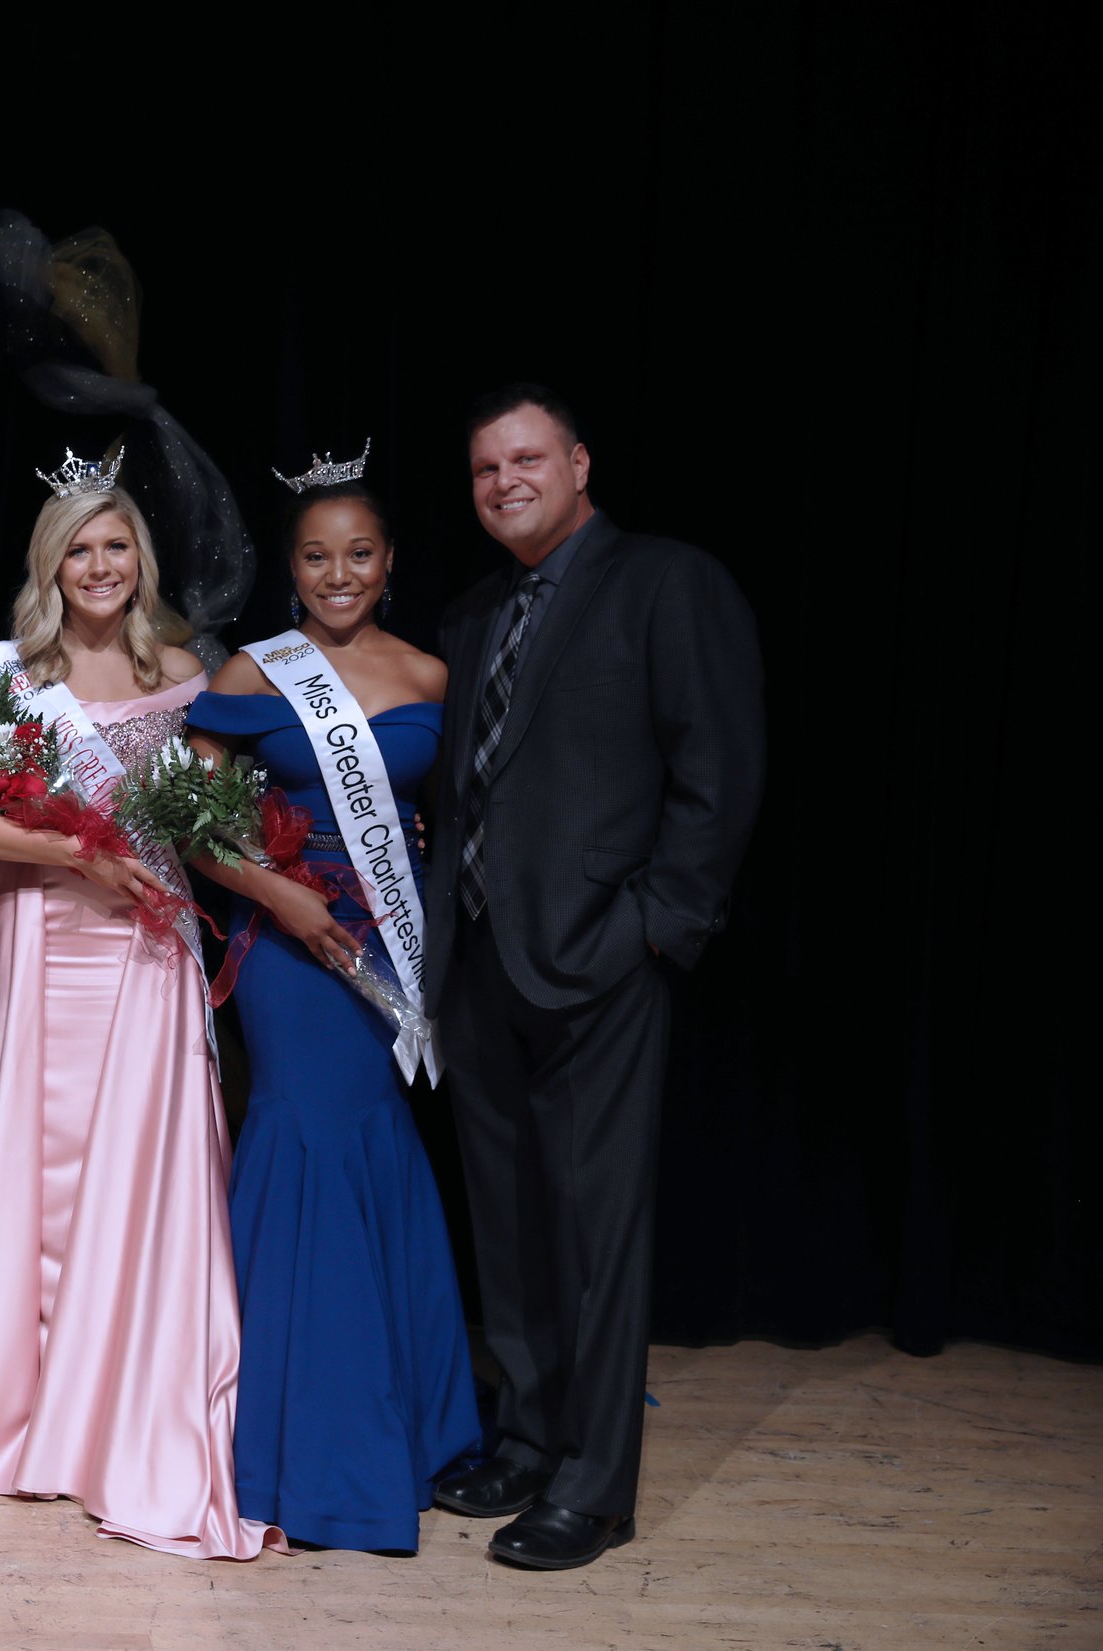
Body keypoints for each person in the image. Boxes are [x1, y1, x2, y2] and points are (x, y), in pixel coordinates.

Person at [425, 385, 763, 1569]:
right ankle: (524, 1436)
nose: (504, 480)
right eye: (482, 469)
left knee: (595, 1230)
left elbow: (716, 771)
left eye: (525, 458)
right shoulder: (473, 612)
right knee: (511, 1224)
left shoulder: (667, 582)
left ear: (577, 462)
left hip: (598, 962)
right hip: (477, 962)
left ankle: (594, 1483)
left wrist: (657, 927)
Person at [0, 449, 265, 1561]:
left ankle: (116, 1403)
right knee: (34, 1169)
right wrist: (74, 857)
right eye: (76, 546)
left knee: (139, 1171)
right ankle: (25, 1416)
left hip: (147, 940)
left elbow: (217, 816)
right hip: (39, 936)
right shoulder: (7, 672)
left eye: (114, 543)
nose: (98, 563)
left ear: (141, 556)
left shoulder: (185, 666)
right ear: (49, 563)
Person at [184, 449, 482, 1552]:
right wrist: (283, 896)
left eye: (358, 552)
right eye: (317, 556)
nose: (339, 572)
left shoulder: (430, 675)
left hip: (389, 941)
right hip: (285, 941)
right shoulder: (257, 676)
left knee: (375, 1144)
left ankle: (407, 1421)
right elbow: (193, 823)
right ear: (292, 571)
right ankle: (299, 1446)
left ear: (389, 560)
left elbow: (446, 821)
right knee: (304, 1139)